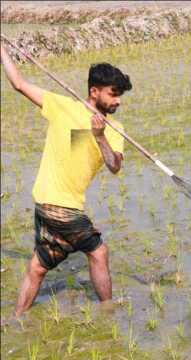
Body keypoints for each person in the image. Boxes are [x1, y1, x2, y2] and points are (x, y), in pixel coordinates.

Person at [1, 43, 131, 316]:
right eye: (113, 94)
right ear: (94, 92)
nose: (118, 101)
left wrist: (99, 136)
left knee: (38, 266)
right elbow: (18, 83)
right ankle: (108, 310)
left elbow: (114, 166)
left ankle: (15, 320)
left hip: (56, 204)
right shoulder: (62, 106)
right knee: (98, 252)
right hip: (58, 205)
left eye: (120, 96)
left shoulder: (115, 129)